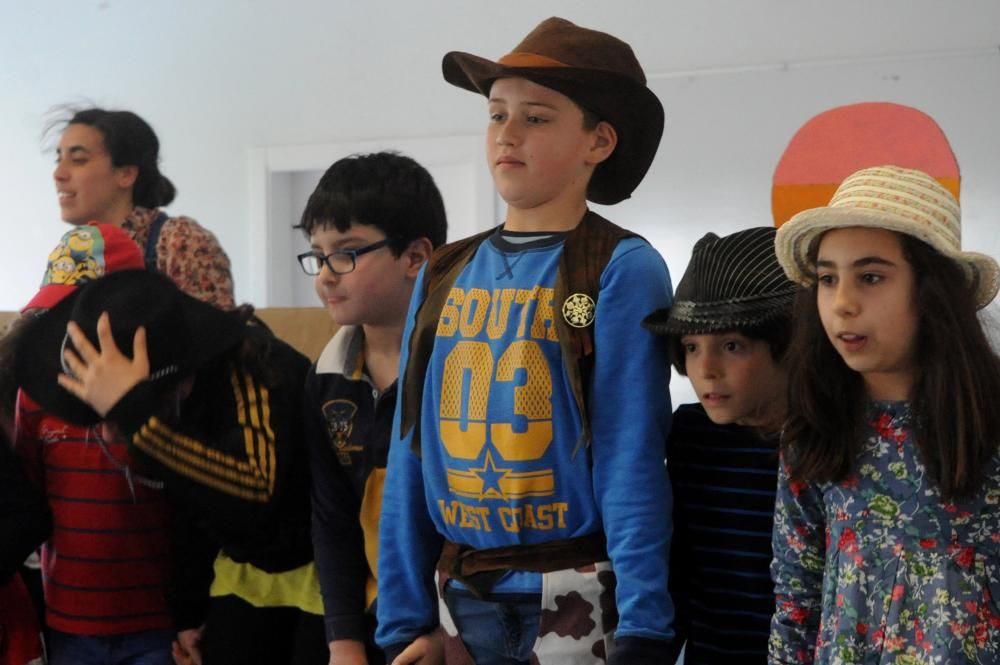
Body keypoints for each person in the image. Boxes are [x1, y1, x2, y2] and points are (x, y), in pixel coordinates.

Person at [376, 17, 675, 665]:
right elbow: (409, 449)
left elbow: (632, 453)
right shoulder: (444, 272)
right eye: (496, 114)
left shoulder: (620, 266)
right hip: (459, 595)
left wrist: (646, 625)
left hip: (577, 593)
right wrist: (402, 619)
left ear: (598, 140)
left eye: (536, 118)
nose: (507, 133)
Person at [15, 268, 326, 665]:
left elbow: (255, 488)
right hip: (240, 572)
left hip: (318, 572)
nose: (110, 438)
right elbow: (189, 509)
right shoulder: (161, 419)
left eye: (112, 421)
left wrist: (135, 417)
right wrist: (189, 614)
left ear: (173, 382)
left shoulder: (252, 364)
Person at [769, 165, 1000, 663]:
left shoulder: (989, 421)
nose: (843, 304)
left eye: (870, 277)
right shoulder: (815, 426)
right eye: (828, 279)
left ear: (932, 289)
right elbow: (796, 597)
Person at [297, 152, 446, 665]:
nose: (325, 276)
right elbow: (331, 518)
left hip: (461, 627)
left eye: (348, 253)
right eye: (318, 255)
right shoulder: (326, 377)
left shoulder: (463, 368)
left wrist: (450, 632)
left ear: (416, 257)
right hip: (372, 622)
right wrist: (344, 644)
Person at [13, 223, 176, 665]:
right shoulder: (34, 394)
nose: (69, 328)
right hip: (69, 619)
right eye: (58, 313)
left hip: (155, 620)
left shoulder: (164, 385)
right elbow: (28, 501)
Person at [643, 227, 796, 664]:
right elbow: (680, 567)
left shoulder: (822, 442)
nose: (705, 368)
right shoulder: (691, 434)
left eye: (731, 345)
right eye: (691, 347)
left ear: (788, 344)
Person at [50, 106, 234, 309]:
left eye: (78, 160)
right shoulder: (74, 254)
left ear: (126, 174)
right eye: (59, 159)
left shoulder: (180, 241)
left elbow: (218, 338)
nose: (58, 173)